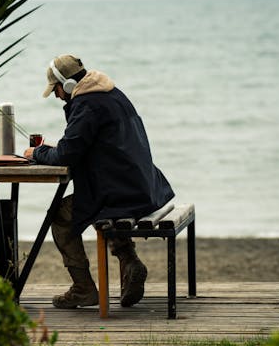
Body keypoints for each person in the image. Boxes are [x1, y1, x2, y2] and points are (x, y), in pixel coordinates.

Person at [24, 54, 174, 310]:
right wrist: (60, 147)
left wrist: (36, 153)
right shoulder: (112, 93)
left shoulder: (86, 105)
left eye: (57, 90)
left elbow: (66, 155)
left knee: (61, 216)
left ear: (67, 85)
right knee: (98, 201)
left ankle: (83, 289)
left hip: (119, 192)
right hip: (144, 187)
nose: (58, 96)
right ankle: (130, 263)